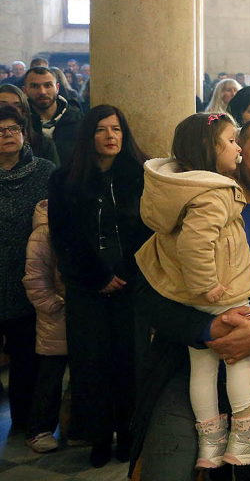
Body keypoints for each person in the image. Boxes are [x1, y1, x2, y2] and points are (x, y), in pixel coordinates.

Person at [133, 113, 250, 468]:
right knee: (236, 358)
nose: (239, 150)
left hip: (197, 301)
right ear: (211, 148)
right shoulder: (214, 192)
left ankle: (211, 442)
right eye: (236, 142)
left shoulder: (181, 191)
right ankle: (246, 434)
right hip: (224, 296)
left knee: (203, 363)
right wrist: (209, 288)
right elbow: (195, 244)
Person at [46, 106, 150, 465]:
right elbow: (64, 237)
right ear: (88, 135)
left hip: (131, 283)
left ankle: (130, 433)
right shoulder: (65, 180)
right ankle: (99, 436)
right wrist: (98, 277)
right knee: (92, 363)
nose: (111, 136)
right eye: (102, 130)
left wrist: (126, 273)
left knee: (130, 361)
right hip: (87, 288)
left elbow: (148, 232)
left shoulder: (141, 175)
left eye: (117, 129)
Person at [0, 103, 55, 441]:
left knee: (25, 356)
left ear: (23, 132)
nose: (7, 136)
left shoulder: (45, 171)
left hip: (29, 277)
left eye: (12, 129)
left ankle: (25, 421)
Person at [24, 199, 66, 454]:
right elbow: (35, 278)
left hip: (81, 313)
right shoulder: (44, 232)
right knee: (50, 376)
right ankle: (38, 430)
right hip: (56, 316)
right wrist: (53, 305)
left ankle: (77, 427)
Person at [25, 66, 83, 163]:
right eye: (35, 86)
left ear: (57, 88)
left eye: (48, 85)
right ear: (25, 90)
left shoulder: (77, 120)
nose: (42, 92)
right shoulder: (21, 122)